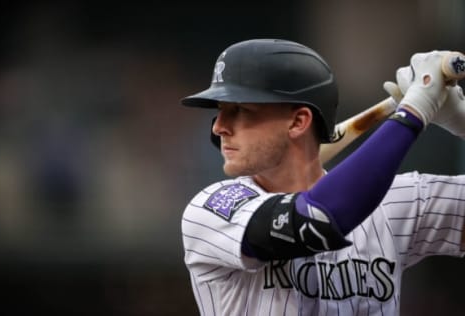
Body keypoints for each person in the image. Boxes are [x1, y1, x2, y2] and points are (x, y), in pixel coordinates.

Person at [180, 38, 464, 315]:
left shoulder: (394, 202)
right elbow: (317, 219)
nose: (219, 127)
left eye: (239, 110)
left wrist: (461, 123)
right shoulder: (212, 210)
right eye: (220, 111)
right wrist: (414, 113)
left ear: (298, 121)